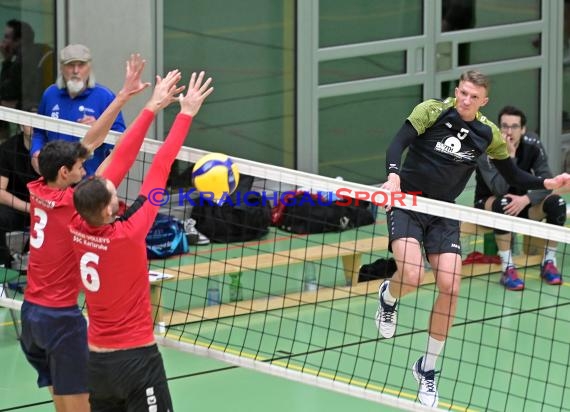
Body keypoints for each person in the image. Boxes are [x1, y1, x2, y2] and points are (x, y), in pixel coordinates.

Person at [376, 70, 569, 407]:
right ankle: (388, 298)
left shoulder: (487, 134)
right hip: (408, 201)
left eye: (473, 97)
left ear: (484, 101)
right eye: (462, 93)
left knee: (451, 287)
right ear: (457, 91)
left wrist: (546, 184)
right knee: (411, 275)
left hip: (444, 210)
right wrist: (392, 176)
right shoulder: (432, 111)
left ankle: (427, 369)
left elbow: (512, 174)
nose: (465, 100)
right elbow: (397, 143)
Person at [21, 55, 181, 412]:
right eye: (80, 167)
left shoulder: (39, 187)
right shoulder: (74, 208)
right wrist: (152, 108)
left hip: (31, 315)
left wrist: (122, 97)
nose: (86, 165)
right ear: (66, 173)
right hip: (63, 321)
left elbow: (87, 145)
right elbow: (124, 157)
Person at [69, 71, 213, 411]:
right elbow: (161, 167)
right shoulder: (129, 234)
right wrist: (185, 113)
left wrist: (151, 106)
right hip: (136, 362)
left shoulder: (76, 221)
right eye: (114, 194)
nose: (119, 194)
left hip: (95, 364)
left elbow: (119, 160)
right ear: (108, 209)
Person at [475, 106, 566, 290]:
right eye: (505, 126)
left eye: (514, 126)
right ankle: (507, 267)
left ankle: (549, 262)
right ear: (499, 128)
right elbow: (499, 188)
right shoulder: (487, 149)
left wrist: (526, 199)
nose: (509, 132)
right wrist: (509, 156)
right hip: (489, 204)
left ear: (523, 129)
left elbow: (547, 181)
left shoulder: (533, 144)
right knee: (504, 202)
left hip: (523, 204)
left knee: (557, 202)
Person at [30, 44, 126, 176]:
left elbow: (121, 138)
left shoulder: (105, 96)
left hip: (91, 180)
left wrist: (99, 128)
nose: (76, 71)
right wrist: (35, 152)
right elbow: (39, 132)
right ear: (61, 68)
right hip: (55, 177)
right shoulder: (50, 94)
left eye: (81, 65)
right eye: (70, 65)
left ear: (89, 67)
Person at [0, 19, 53, 140]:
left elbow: (6, 92)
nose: (3, 42)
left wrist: (7, 60)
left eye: (7, 37)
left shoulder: (25, 61)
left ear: (19, 40)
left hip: (33, 113)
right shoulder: (37, 53)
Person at [0, 123, 38, 268]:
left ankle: (29, 259)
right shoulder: (8, 149)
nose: (35, 127)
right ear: (22, 126)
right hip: (19, 207)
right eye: (31, 124)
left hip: (47, 207)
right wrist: (30, 208)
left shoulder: (51, 148)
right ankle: (3, 264)